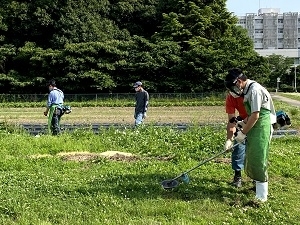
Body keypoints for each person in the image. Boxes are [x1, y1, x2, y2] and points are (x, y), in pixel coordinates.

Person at [224, 68, 276, 202]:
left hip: (261, 128)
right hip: (254, 126)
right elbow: (246, 117)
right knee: (252, 157)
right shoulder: (247, 91)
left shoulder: (254, 90)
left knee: (258, 158)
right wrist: (239, 126)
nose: (233, 92)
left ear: (239, 82)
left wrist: (242, 133)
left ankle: (261, 197)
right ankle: (256, 187)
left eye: (233, 88)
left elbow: (256, 115)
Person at [224, 91, 248, 188]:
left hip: (257, 121)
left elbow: (255, 115)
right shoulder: (230, 97)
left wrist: (244, 131)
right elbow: (232, 120)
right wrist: (229, 139)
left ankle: (257, 179)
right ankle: (237, 176)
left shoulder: (250, 93)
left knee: (255, 151)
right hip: (242, 120)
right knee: (238, 147)